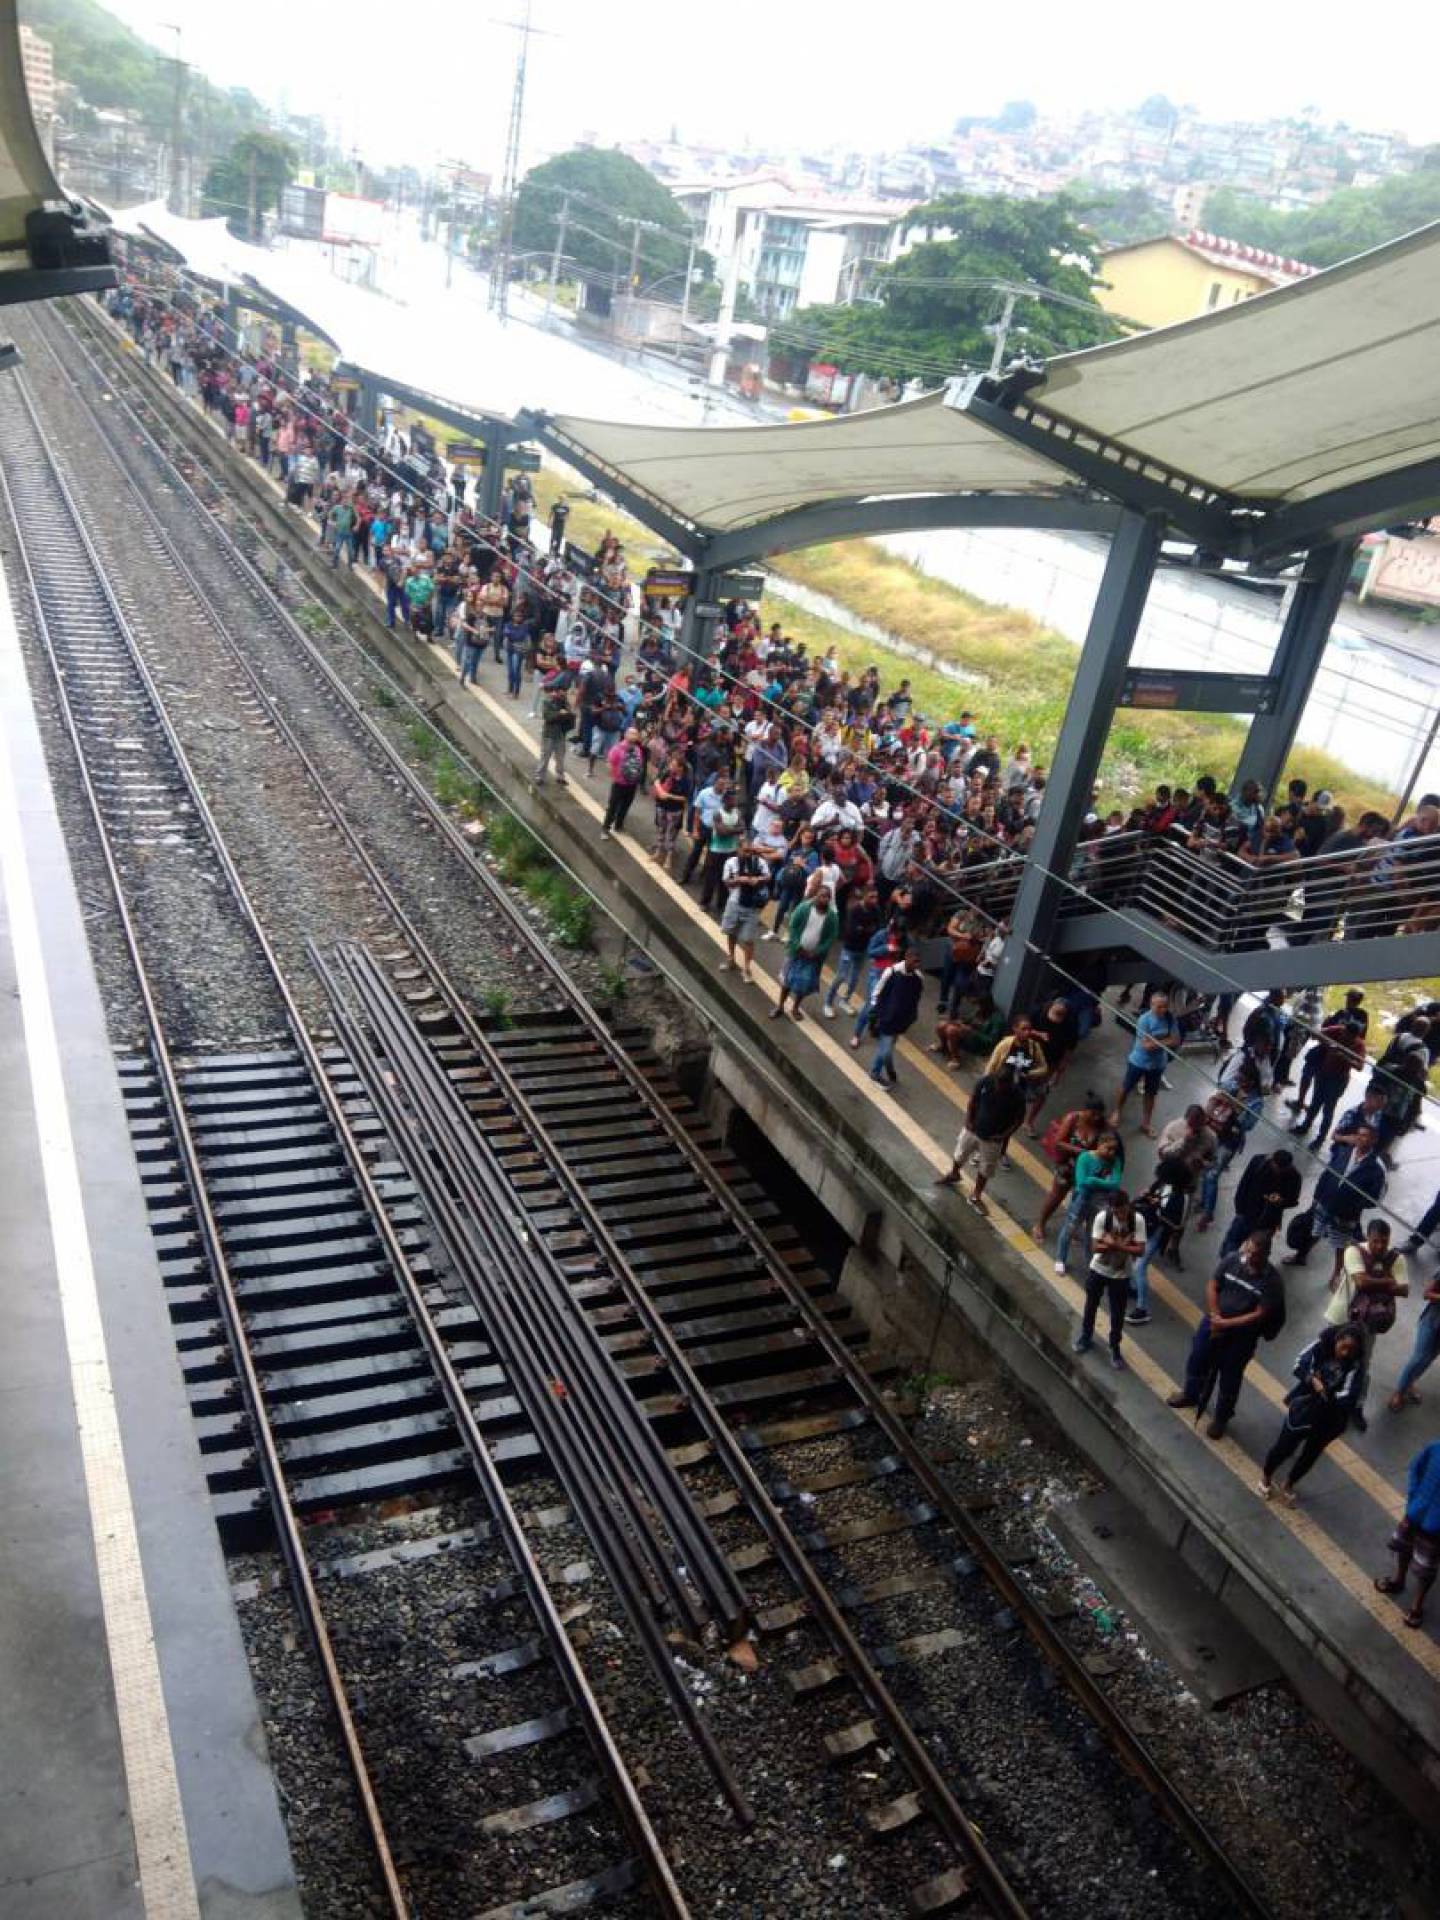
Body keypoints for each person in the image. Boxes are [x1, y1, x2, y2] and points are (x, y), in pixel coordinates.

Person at [1167, 1233, 1286, 1438]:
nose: (1249, 1257)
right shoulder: (1232, 1260)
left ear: (1266, 1255)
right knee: (1198, 1357)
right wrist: (1215, 1316)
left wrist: (1226, 1323)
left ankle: (1221, 1419)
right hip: (1215, 1321)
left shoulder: (1272, 1281)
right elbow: (1213, 1284)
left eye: (1255, 1255)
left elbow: (1260, 1313)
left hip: (1241, 1337)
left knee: (1230, 1377)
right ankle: (1190, 1394)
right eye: (1248, 1250)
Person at [1258, 1324, 1364, 1504]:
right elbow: (1299, 1364)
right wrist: (1312, 1380)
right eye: (1343, 1347)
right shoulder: (1320, 1346)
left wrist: (1327, 1393)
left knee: (1311, 1454)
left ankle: (1289, 1483)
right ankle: (1266, 1477)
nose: (1345, 1353)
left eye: (1351, 1350)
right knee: (1284, 1446)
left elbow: (1348, 1395)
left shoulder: (1355, 1366)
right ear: (1336, 1340)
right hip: (1304, 1409)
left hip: (1329, 1419)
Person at [1326, 1218, 1409, 1429]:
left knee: (1362, 1365)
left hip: (1367, 1323)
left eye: (1384, 1241)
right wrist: (1388, 1281)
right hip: (1342, 1315)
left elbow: (1405, 1290)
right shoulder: (1353, 1251)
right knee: (1330, 1353)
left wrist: (1376, 1282)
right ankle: (1324, 1393)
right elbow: (1361, 1282)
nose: (1380, 1246)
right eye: (1375, 1241)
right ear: (1368, 1239)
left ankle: (1356, 1405)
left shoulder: (1396, 1258)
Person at [936, 1053, 1030, 1215]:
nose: (999, 1088)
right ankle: (954, 1173)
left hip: (994, 1137)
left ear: (1010, 1084)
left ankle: (976, 1194)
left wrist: (1004, 1135)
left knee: (986, 1168)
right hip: (973, 1129)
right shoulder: (985, 1082)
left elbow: (1019, 1119)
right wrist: (968, 1120)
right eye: (998, 1084)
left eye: (1003, 1086)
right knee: (960, 1153)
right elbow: (973, 1101)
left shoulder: (1017, 1096)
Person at [1074, 1190, 1144, 1371]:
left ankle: (1114, 1346)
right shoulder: (1103, 1218)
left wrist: (1115, 1244)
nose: (1119, 1215)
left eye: (1122, 1211)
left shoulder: (1137, 1221)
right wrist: (1124, 1245)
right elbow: (1095, 1247)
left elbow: (1141, 1250)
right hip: (1098, 1269)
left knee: (1117, 1313)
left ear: (1128, 1206)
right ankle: (1086, 1336)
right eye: (1115, 1211)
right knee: (1091, 1305)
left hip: (1121, 1274)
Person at [1376, 1440, 1440, 1627]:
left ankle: (1417, 1605)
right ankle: (1399, 1580)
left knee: (1426, 1568)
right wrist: (1413, 1498)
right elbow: (1415, 1469)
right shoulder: (1435, 1448)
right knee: (1404, 1548)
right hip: (1415, 1514)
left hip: (1436, 1529)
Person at [1129, 1153, 1193, 1324]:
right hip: (1144, 1227)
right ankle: (1134, 1288)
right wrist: (1148, 1197)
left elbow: (1177, 1225)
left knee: (1139, 1266)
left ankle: (1143, 1308)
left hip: (1156, 1233)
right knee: (1134, 1259)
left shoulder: (1182, 1197)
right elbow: (1151, 1193)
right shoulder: (1163, 1183)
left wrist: (1157, 1210)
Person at [1032, 1096, 1108, 1241]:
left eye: (1099, 1115)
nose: (1096, 1118)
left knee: (1079, 1199)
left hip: (1087, 1169)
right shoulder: (1072, 1119)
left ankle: (1071, 1228)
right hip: (1067, 1165)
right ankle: (1040, 1224)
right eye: (1093, 1114)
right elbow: (1058, 1142)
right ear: (1085, 1111)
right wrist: (1080, 1151)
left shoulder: (1101, 1126)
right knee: (1056, 1195)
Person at [1111, 991, 1178, 1137]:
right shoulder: (1144, 1020)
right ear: (1151, 1005)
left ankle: (1146, 1123)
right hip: (1139, 1062)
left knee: (1151, 1094)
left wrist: (1156, 1041)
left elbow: (1175, 1040)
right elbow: (1146, 1046)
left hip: (1158, 1064)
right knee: (1126, 1088)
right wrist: (1165, 1041)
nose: (1163, 1010)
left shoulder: (1169, 1018)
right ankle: (1117, 1111)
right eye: (1159, 1007)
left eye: (1165, 1006)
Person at [1055, 1131, 1123, 1273]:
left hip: (1101, 1203)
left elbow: (1115, 1184)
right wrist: (1104, 1183)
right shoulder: (1085, 1157)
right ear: (1099, 1145)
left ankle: (1090, 1262)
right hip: (1083, 1199)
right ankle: (1060, 1259)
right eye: (1108, 1148)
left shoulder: (1115, 1161)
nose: (1111, 1153)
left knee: (1093, 1233)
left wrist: (1093, 1180)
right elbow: (1081, 1184)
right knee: (1070, 1228)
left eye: (1113, 1150)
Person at [771, 885, 837, 1023]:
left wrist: (817, 952)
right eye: (822, 896)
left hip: (813, 957)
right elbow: (793, 926)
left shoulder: (832, 917)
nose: (824, 899)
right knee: (787, 980)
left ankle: (795, 1007)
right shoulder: (804, 908)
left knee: (804, 984)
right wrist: (797, 946)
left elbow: (831, 937)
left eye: (827, 897)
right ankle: (780, 1006)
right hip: (796, 952)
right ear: (816, 896)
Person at [1220, 1149, 1301, 1257]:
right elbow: (1244, 1185)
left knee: (1257, 1252)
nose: (1278, 1171)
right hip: (1246, 1214)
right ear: (1272, 1161)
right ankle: (1226, 1265)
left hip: (1267, 1223)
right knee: (1232, 1242)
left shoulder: (1294, 1177)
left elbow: (1293, 1201)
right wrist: (1239, 1209)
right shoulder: (1258, 1162)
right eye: (1277, 1167)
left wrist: (1281, 1201)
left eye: (1282, 1169)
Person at [868, 947, 925, 1089]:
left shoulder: (918, 978)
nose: (916, 965)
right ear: (907, 957)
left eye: (918, 962)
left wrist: (911, 1017)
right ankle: (875, 1073)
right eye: (914, 961)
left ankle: (889, 1069)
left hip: (901, 1020)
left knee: (888, 1047)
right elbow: (877, 992)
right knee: (886, 1048)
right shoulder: (892, 972)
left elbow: (916, 999)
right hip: (887, 1018)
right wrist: (877, 1011)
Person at [719, 840, 770, 984]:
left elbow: (767, 877)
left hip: (752, 905)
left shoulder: (759, 862)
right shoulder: (731, 863)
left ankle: (747, 967)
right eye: (745, 851)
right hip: (735, 902)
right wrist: (739, 880)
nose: (748, 854)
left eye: (750, 851)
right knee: (731, 932)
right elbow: (726, 881)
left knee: (748, 939)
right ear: (738, 850)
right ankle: (731, 958)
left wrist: (757, 879)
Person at [1389, 1268, 1440, 1412]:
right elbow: (1427, 1294)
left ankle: (1410, 1384)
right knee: (1419, 1358)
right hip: (1432, 1321)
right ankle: (1398, 1392)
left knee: (1428, 1359)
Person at [600, 728, 645, 839]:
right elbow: (610, 763)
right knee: (613, 807)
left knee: (625, 806)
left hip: (632, 784)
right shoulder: (617, 749)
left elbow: (639, 764)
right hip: (619, 784)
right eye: (631, 733)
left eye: (635, 733)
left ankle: (618, 825)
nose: (633, 735)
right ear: (625, 735)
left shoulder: (638, 749)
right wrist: (615, 776)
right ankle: (605, 829)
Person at [534, 668, 575, 786]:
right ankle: (539, 776)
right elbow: (548, 717)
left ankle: (560, 776)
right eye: (554, 691)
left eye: (558, 691)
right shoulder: (547, 703)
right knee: (545, 756)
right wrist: (560, 714)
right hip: (549, 734)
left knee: (560, 757)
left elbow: (570, 716)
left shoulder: (564, 703)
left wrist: (563, 712)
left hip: (561, 734)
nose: (556, 693)